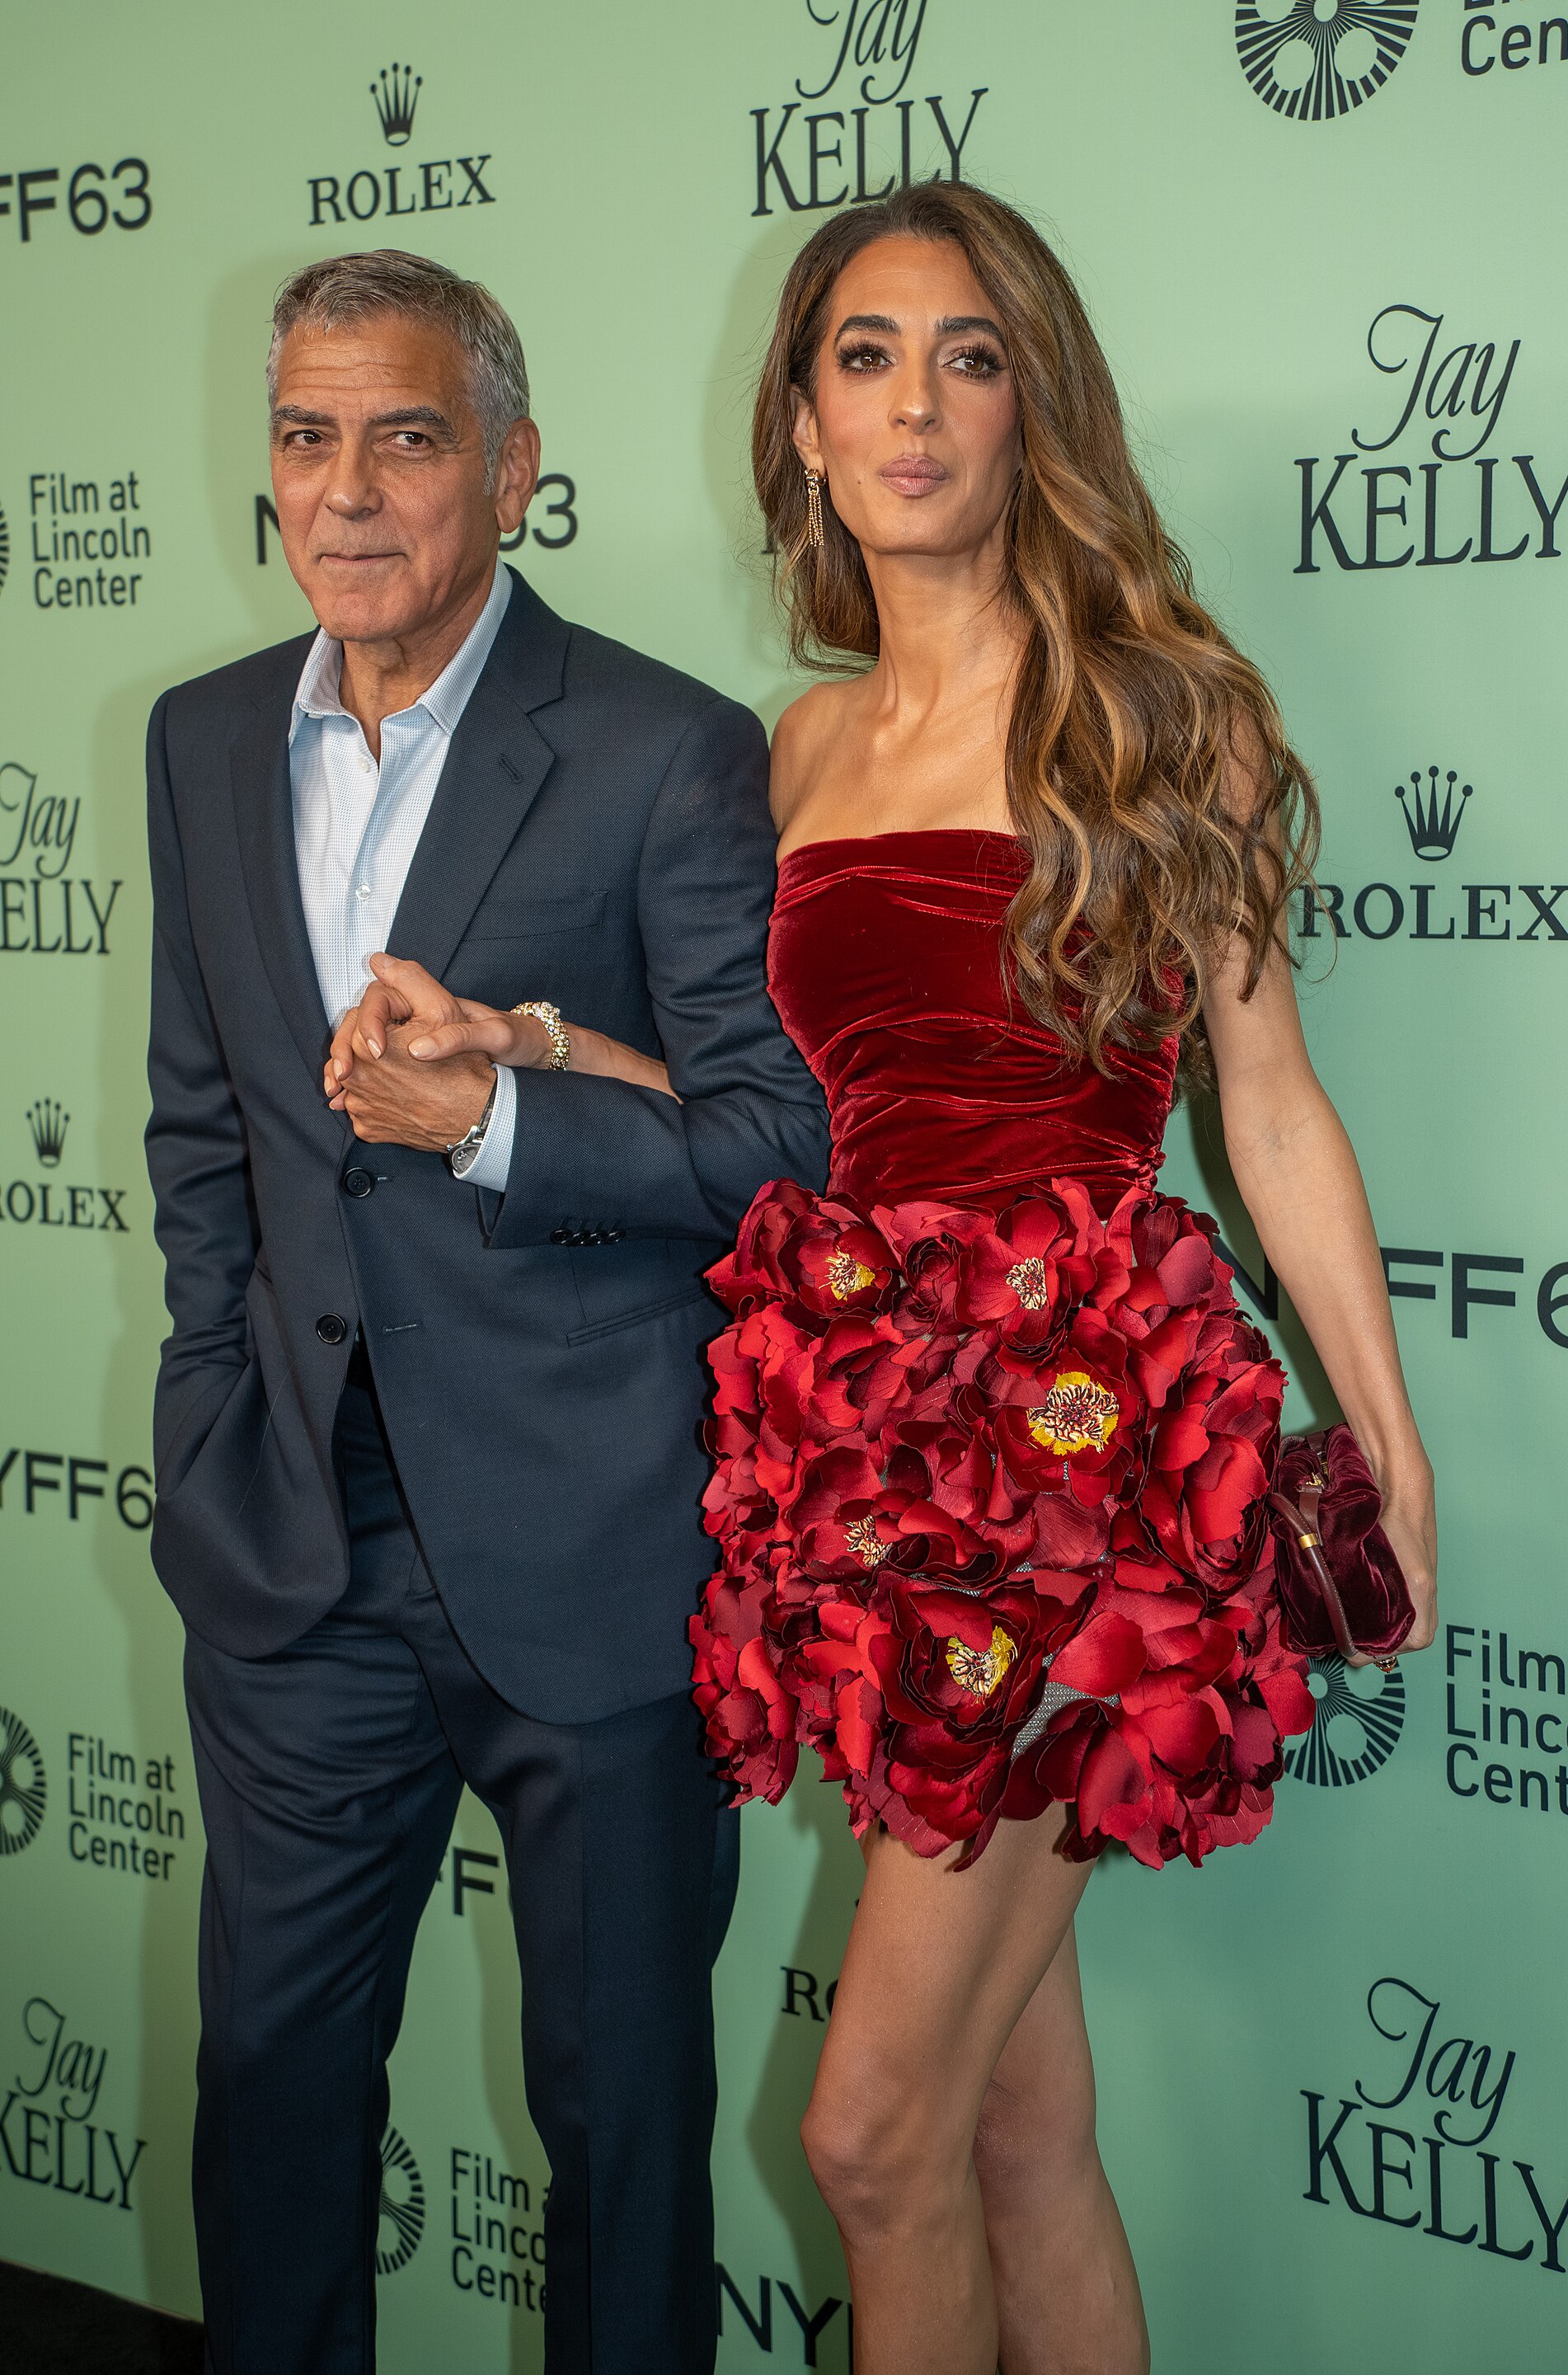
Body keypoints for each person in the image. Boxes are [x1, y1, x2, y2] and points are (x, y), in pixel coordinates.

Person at [338, 189, 1438, 2374]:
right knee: (1015, 2131)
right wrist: (529, 1045)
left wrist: (1386, 1445)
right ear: (806, 426)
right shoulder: (795, 750)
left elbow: (1274, 1102)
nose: (916, 403)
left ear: (1034, 401)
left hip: (1085, 1461)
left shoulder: (1152, 707)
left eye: (966, 353)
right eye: (865, 356)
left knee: (869, 2137)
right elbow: (782, 1108)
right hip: (860, 1456)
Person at [143, 247, 828, 2375]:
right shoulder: (193, 737)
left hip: (599, 1549)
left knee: (621, 2132)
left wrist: (499, 1114)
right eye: (304, 436)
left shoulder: (663, 751)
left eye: (407, 436)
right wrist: (205, 1419)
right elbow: (204, 1136)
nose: (345, 490)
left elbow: (769, 1148)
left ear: (515, 470)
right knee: (268, 2100)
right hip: (294, 1556)